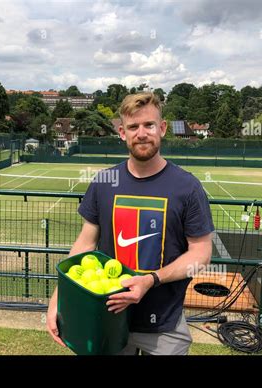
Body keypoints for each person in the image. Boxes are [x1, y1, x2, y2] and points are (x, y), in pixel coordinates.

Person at [47, 92, 214, 355]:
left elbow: (201, 254)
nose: (142, 133)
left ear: (162, 129)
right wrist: (60, 298)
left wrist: (150, 280)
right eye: (133, 127)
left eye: (149, 125)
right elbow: (85, 242)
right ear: (123, 133)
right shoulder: (104, 181)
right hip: (107, 318)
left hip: (163, 322)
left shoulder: (188, 187)